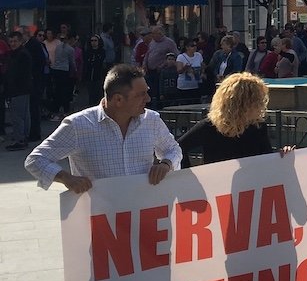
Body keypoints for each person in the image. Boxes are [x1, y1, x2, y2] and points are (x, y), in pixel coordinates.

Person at [176, 72, 291, 281]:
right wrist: (194, 183)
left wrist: (281, 158)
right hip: (225, 217)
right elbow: (175, 151)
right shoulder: (209, 129)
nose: (263, 106)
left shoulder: (256, 128)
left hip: (253, 215)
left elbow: (264, 160)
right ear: (246, 101)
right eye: (258, 100)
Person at [24, 64, 180, 194]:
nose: (148, 99)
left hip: (143, 214)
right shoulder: (78, 125)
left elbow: (173, 150)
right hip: (100, 218)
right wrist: (67, 178)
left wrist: (165, 164)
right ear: (118, 99)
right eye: (141, 94)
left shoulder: (151, 120)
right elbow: (35, 160)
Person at [4, 32, 33, 151]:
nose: (13, 44)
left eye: (15, 41)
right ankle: (22, 137)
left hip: (18, 90)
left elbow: (20, 74)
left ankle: (20, 139)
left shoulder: (22, 55)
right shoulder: (16, 54)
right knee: (23, 115)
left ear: (20, 41)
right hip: (20, 89)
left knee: (18, 116)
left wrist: (12, 87)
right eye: (11, 41)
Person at [82, 34, 106, 106]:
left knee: (98, 94)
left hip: (98, 76)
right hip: (89, 76)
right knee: (90, 94)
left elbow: (100, 62)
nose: (93, 42)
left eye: (95, 41)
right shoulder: (87, 51)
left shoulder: (102, 51)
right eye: (92, 41)